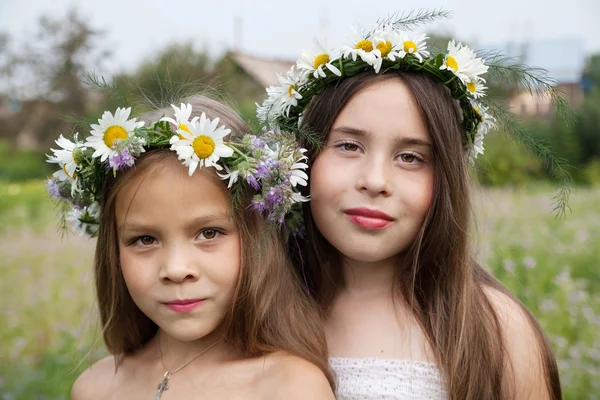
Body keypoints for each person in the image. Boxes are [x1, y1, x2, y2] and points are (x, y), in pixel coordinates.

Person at [257, 18, 565, 400]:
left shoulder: (495, 331)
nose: (375, 180)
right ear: (303, 158)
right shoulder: (256, 307)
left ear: (445, 179)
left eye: (410, 157)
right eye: (349, 146)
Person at [46, 95, 335, 399]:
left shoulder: (290, 388)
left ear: (257, 237)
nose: (176, 269)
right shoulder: (95, 388)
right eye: (144, 239)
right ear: (113, 251)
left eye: (209, 233)